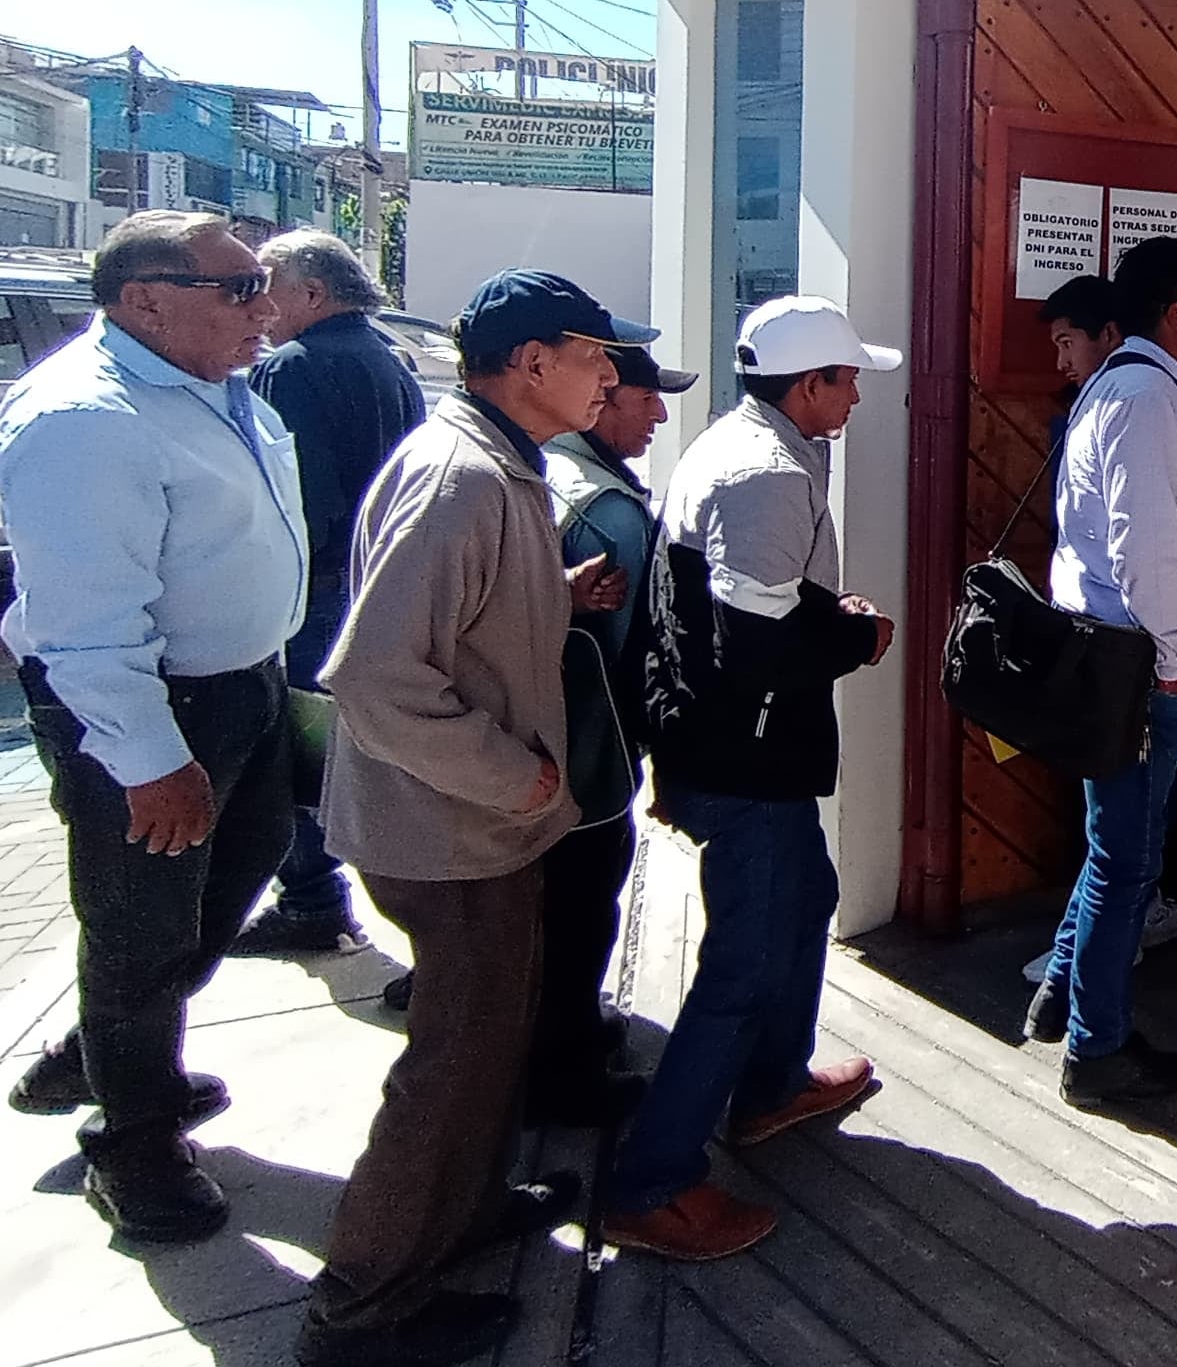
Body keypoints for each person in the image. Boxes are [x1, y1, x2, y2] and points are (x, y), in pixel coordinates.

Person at [296, 271, 640, 1367]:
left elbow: (468, 613)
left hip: (466, 827)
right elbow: (379, 678)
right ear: (532, 363)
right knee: (450, 1068)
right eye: (597, 353)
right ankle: (363, 1303)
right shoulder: (464, 478)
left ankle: (463, 1212)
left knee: (489, 1043)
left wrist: (553, 586)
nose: (613, 375)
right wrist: (520, 780)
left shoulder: (498, 463)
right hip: (451, 832)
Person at [0, 213, 305, 1241]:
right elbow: (85, 627)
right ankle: (131, 1141)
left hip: (243, 684)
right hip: (157, 708)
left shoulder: (211, 384)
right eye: (238, 288)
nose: (265, 306)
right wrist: (150, 761)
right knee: (141, 929)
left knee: (238, 872)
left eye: (264, 283)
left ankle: (110, 1052)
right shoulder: (84, 419)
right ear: (144, 300)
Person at [601, 296, 898, 1262]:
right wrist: (857, 634)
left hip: (735, 746)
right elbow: (756, 644)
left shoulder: (746, 440)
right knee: (740, 963)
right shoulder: (767, 473)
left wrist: (821, 608)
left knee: (805, 896)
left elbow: (752, 605)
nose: (856, 398)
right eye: (847, 380)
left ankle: (775, 1084)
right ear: (808, 385)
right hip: (745, 758)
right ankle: (652, 1184)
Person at [1022, 238, 1177, 1108]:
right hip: (1140, 665)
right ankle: (1098, 1048)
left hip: (1111, 653)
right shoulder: (1149, 400)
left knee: (1115, 846)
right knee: (1127, 860)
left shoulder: (1124, 390)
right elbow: (1147, 551)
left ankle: (1059, 1000)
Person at [232, 229, 425, 956]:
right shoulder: (390, 359)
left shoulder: (293, 366)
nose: (257, 307)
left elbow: (293, 504)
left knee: (304, 758)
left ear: (311, 293)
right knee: (363, 757)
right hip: (376, 586)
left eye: (267, 286)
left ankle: (314, 900)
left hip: (314, 598)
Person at [530, 339, 699, 1125]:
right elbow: (639, 657)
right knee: (582, 908)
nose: (660, 413)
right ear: (602, 400)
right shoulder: (608, 512)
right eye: (645, 396)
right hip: (588, 762)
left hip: (536, 752)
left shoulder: (547, 472)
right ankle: (562, 1078)